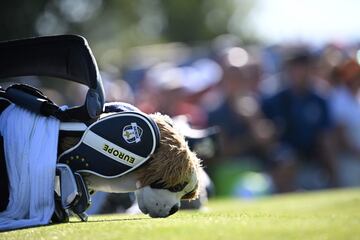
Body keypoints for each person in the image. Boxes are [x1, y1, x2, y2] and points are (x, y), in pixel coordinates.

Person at [261, 47, 338, 192]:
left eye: (301, 67)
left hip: (312, 158)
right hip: (283, 158)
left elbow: (326, 137)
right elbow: (268, 138)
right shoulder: (274, 101)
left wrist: (333, 173)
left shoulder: (320, 100)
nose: (297, 73)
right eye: (293, 68)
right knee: (286, 159)